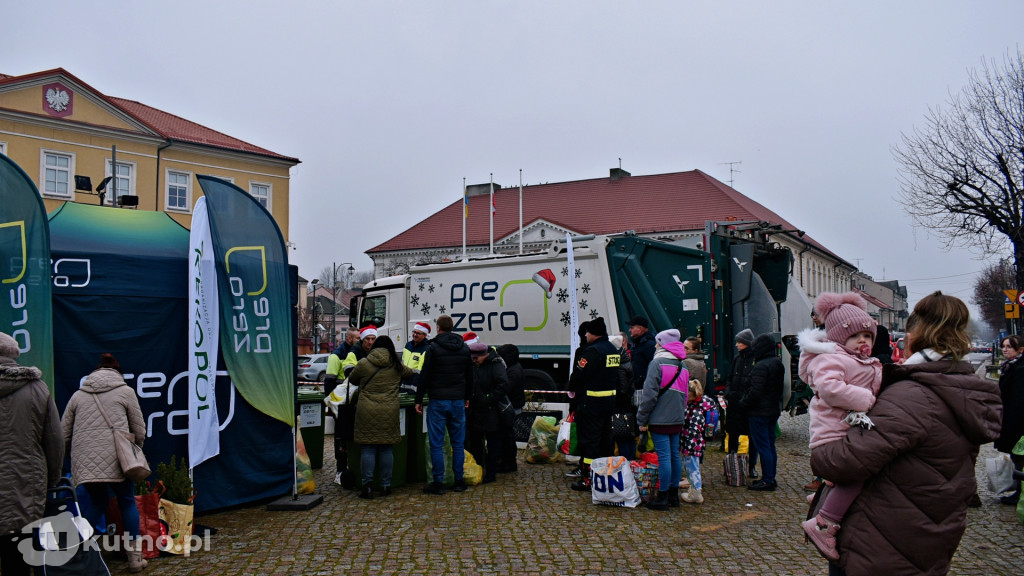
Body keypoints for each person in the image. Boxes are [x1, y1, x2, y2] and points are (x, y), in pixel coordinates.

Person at [810, 291, 1001, 575]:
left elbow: (842, 461)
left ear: (912, 338)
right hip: (929, 533)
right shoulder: (958, 388)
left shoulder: (911, 396)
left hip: (880, 543)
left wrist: (823, 446)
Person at [796, 292, 883, 560]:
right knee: (856, 474)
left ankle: (825, 496)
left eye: (868, 336)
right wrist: (867, 400)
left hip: (847, 430)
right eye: (856, 336)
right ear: (837, 337)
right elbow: (831, 388)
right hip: (832, 433)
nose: (863, 341)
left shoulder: (859, 361)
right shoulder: (831, 359)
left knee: (853, 474)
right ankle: (823, 522)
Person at [61, 353, 148, 572]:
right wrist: (134, 449)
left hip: (85, 460)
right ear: (118, 373)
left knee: (97, 503)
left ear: (94, 373)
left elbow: (63, 434)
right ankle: (135, 559)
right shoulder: (126, 392)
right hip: (118, 458)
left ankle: (77, 554)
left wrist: (69, 456)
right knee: (126, 501)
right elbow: (139, 429)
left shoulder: (78, 396)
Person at [0, 332, 63, 576]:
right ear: (14, 354)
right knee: (23, 552)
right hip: (26, 483)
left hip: (24, 481)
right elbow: (54, 440)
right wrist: (53, 479)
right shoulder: (37, 388)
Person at [349, 335, 415, 499]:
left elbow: (352, 379)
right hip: (389, 409)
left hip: (366, 410)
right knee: (386, 448)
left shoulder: (364, 363)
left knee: (368, 448)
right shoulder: (396, 365)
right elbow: (410, 373)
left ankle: (368, 486)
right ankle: (386, 486)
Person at [415, 315, 474, 495]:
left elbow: (425, 375)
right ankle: (459, 480)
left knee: (437, 443)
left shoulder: (433, 348)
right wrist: (467, 396)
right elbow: (469, 375)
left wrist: (418, 398)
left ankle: (438, 482)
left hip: (438, 400)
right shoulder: (464, 348)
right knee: (457, 443)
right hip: (457, 400)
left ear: (438, 328)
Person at [636, 328, 689, 510]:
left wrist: (642, 418)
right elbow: (685, 396)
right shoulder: (683, 366)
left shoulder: (657, 364)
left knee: (664, 456)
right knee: (674, 455)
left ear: (662, 344)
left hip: (659, 417)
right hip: (677, 418)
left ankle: (663, 496)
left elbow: (649, 395)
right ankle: (674, 495)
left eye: (658, 342)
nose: (656, 345)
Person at [566, 317, 619, 491]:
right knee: (606, 440)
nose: (586, 335)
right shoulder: (612, 349)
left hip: (590, 404)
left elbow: (578, 376)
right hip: (609, 404)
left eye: (587, 332)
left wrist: (571, 388)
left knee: (589, 442)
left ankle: (587, 479)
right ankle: (606, 474)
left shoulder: (592, 351)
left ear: (593, 333)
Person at [740, 333, 783, 491]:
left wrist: (743, 403)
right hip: (772, 409)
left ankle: (767, 480)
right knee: (770, 445)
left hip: (759, 411)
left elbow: (755, 391)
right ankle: (770, 477)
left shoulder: (761, 365)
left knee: (763, 445)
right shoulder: (777, 363)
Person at [467, 341, 510, 483]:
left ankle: (490, 473)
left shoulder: (495, 365)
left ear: (484, 355)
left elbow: (502, 385)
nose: (474, 360)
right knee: (476, 443)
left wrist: (489, 398)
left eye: (476, 358)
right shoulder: (474, 365)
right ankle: (479, 468)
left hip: (491, 411)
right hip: (475, 410)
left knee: (492, 444)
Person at [325, 327, 361, 481]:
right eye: (358, 338)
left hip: (354, 403)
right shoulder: (336, 356)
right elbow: (329, 382)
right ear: (349, 339)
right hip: (341, 405)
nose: (361, 340)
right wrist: (332, 407)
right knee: (340, 437)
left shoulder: (357, 354)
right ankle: (340, 469)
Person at [724, 328, 758, 477]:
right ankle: (732, 463)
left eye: (740, 342)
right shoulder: (737, 359)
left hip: (748, 405)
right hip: (734, 403)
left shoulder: (755, 360)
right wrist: (728, 392)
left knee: (752, 436)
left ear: (747, 343)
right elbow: (730, 377)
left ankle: (751, 467)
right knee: (732, 433)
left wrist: (747, 398)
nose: (737, 344)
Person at [995, 334, 1024, 504]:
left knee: (1019, 457)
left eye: (1009, 347)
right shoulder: (1009, 366)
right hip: (1010, 418)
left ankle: (1020, 493)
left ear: (1020, 349)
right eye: (1003, 346)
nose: (1005, 349)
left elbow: (1018, 400)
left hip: (1017, 422)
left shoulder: (1019, 369)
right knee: (1016, 457)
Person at [680, 377, 715, 505]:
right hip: (695, 444)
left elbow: (693, 432)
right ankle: (694, 490)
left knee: (692, 468)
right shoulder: (697, 406)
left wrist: (688, 447)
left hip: (692, 445)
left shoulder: (696, 411)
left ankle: (696, 493)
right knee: (692, 467)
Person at [496, 344, 525, 473]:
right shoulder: (514, 368)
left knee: (507, 435)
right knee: (506, 435)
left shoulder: (513, 371)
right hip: (513, 405)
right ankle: (507, 461)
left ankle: (508, 462)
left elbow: (505, 388)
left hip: (511, 407)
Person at [609, 333, 636, 461]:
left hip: (620, 406)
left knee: (621, 435)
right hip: (626, 405)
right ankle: (630, 461)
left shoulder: (618, 365)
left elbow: (622, 389)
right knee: (628, 435)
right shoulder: (626, 360)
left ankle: (626, 463)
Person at [401, 321, 431, 393]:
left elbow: (422, 371)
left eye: (418, 333)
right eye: (414, 332)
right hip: (403, 387)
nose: (414, 335)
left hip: (415, 389)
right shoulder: (408, 345)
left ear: (425, 335)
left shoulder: (426, 349)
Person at [628, 316, 655, 389]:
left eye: (632, 327)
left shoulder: (649, 345)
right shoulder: (637, 344)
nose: (629, 330)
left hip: (646, 387)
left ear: (640, 329)